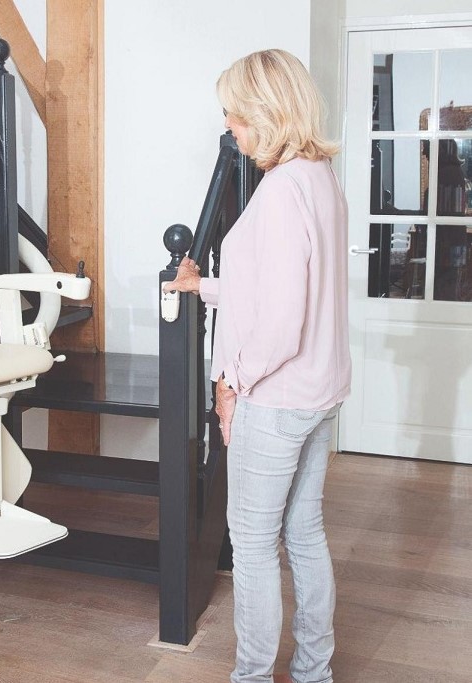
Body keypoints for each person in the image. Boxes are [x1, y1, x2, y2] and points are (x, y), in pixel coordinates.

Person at [164, 49, 351, 683]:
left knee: (251, 547)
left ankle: (250, 677)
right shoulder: (320, 177)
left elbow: (279, 323)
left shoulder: (279, 191)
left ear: (266, 114)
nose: (230, 127)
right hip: (320, 393)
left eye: (235, 114)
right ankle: (314, 673)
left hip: (275, 399)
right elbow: (277, 286)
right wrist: (206, 287)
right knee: (304, 534)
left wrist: (230, 381)